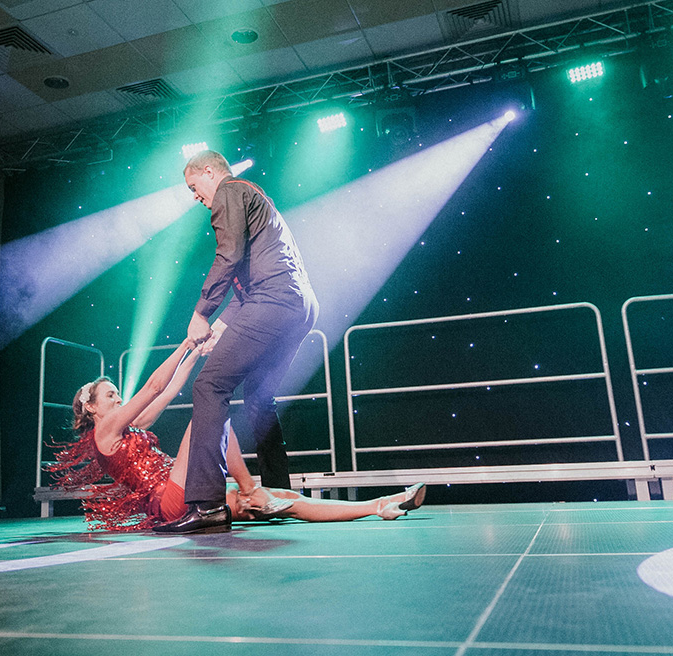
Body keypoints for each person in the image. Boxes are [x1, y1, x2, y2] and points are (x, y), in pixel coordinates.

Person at [46, 340, 426, 532]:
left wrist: (196, 350)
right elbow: (152, 385)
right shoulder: (106, 430)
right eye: (110, 394)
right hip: (170, 501)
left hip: (185, 491)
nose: (118, 397)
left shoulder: (129, 427)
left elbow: (170, 388)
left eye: (116, 391)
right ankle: (249, 486)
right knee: (210, 411)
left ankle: (383, 505)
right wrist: (183, 343)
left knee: (285, 499)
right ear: (92, 408)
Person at [156, 150, 319, 534]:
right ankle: (279, 495)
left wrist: (202, 313)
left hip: (274, 301)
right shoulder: (254, 195)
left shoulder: (229, 191)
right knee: (260, 397)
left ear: (209, 172)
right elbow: (250, 278)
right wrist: (224, 325)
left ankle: (208, 505)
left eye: (194, 187)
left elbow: (227, 255)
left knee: (209, 386)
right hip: (299, 305)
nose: (195, 197)